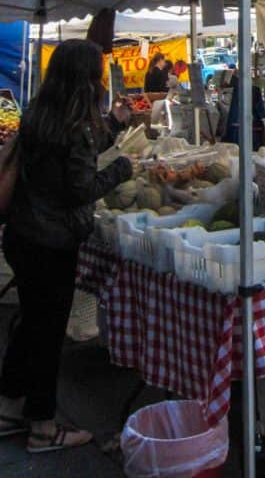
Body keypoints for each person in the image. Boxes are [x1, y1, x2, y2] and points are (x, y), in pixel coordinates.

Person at [0, 40, 134, 452]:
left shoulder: (40, 114)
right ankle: (42, 427)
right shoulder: (74, 127)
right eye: (97, 73)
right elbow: (80, 189)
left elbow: (69, 161)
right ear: (85, 78)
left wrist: (112, 124)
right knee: (46, 334)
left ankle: (8, 407)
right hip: (51, 240)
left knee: (31, 323)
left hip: (22, 235)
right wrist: (120, 170)